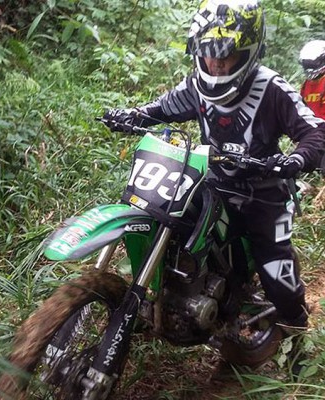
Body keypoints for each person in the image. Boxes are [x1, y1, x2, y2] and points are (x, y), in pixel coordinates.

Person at [103, 0, 325, 376]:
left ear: (250, 51)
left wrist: (296, 159)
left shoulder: (272, 89)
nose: (216, 65)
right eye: (208, 55)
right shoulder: (196, 86)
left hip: (262, 194)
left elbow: (315, 130)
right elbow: (162, 108)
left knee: (276, 271)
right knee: (169, 223)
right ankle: (173, 297)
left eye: (226, 56)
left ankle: (298, 342)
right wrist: (133, 116)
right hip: (213, 183)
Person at [299, 40, 325, 172]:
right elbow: (301, 106)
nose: (309, 68)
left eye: (312, 64)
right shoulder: (307, 85)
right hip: (313, 131)